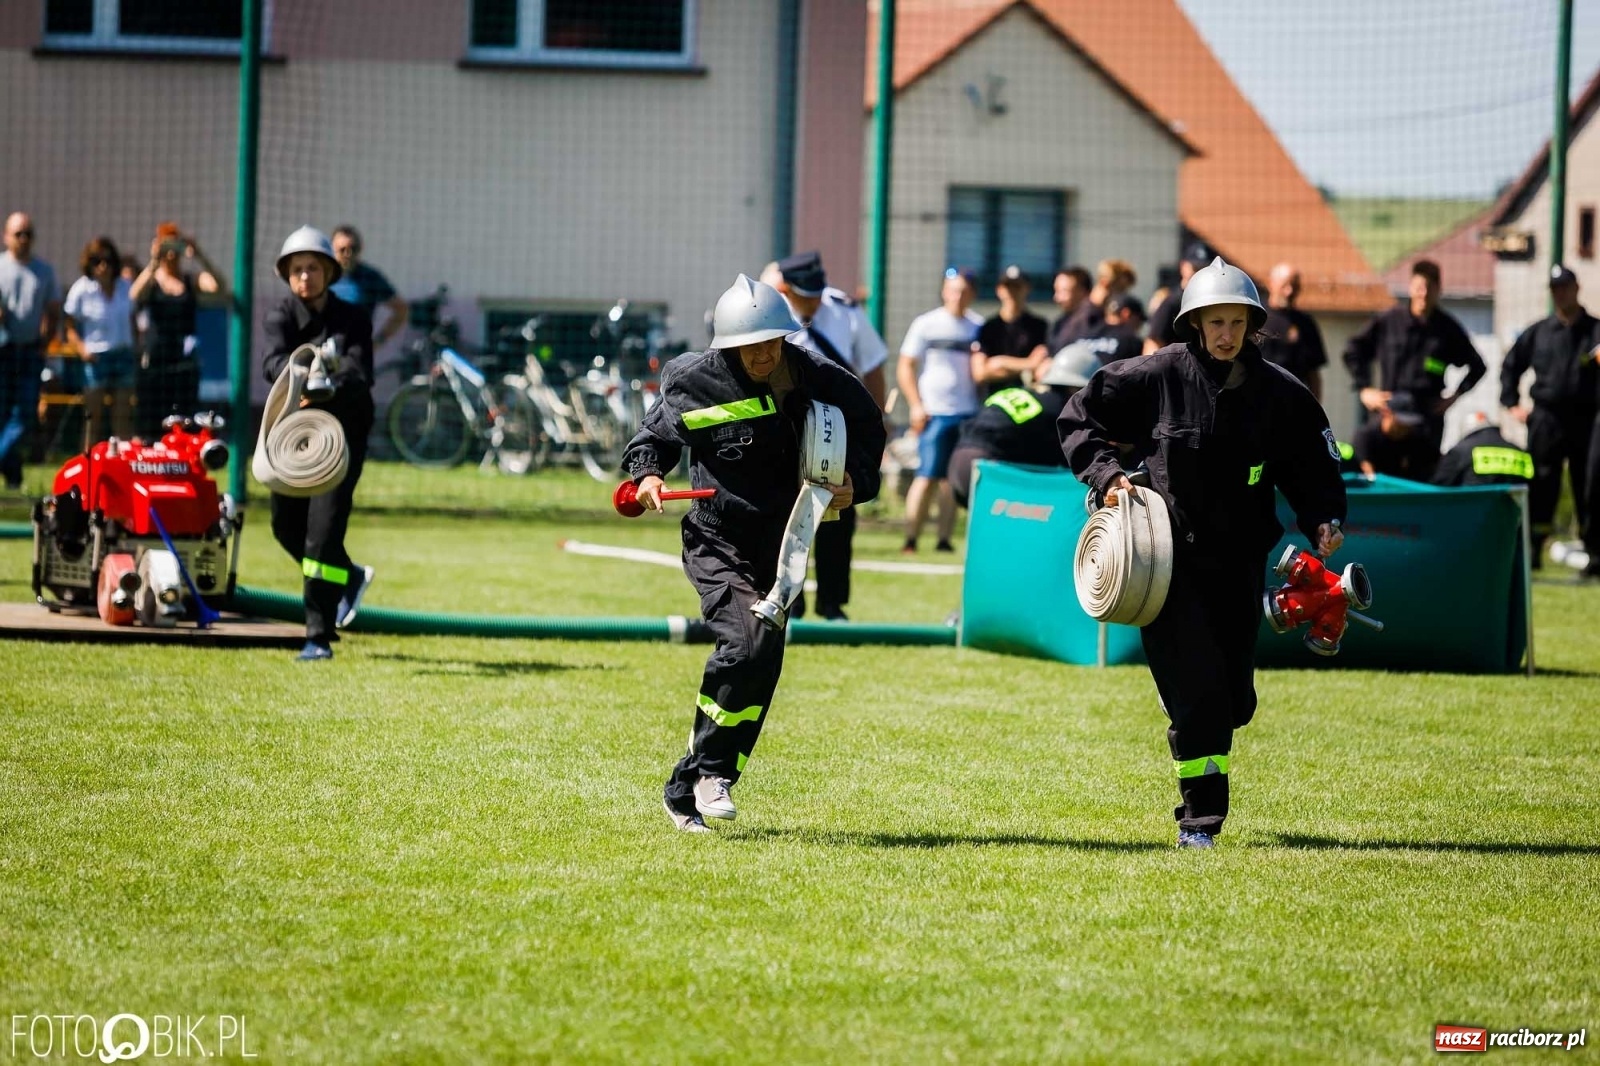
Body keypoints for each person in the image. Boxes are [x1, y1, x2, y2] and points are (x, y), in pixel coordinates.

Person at [1058, 256, 1346, 849]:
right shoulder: (1157, 375)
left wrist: (1323, 519)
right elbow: (1077, 417)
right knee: (1202, 702)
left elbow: (1312, 463)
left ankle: (1209, 708)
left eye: (1236, 323)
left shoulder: (1280, 394)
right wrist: (1106, 474)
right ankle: (1200, 822)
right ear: (1193, 323)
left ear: (1252, 325)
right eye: (1214, 322)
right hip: (1170, 566)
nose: (1225, 334)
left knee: (1233, 699)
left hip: (1239, 564)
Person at [622, 274, 886, 832]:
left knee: (763, 659)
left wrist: (855, 483)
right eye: (753, 345)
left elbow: (868, 428)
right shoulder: (692, 381)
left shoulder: (813, 375)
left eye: (774, 341)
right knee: (746, 642)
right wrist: (647, 476)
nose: (766, 354)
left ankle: (690, 783)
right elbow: (653, 439)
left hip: (784, 543)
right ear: (727, 344)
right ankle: (710, 775)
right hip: (716, 539)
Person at [262, 226, 376, 662]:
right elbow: (272, 363)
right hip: (292, 438)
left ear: (329, 271)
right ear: (287, 276)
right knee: (284, 527)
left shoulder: (354, 319)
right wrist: (302, 376)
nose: (305, 276)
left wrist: (330, 383)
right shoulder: (280, 317)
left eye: (313, 268)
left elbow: (358, 370)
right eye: (297, 269)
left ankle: (318, 635)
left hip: (341, 437)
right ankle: (347, 579)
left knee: (321, 536)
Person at [762, 250, 889, 621]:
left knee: (838, 508)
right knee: (786, 511)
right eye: (806, 293)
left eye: (818, 291)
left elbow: (873, 363)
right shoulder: (771, 311)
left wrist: (876, 418)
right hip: (786, 425)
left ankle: (833, 603)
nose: (815, 300)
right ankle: (788, 598)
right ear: (786, 288)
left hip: (838, 423)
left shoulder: (845, 311)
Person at [1343, 258, 1485, 482]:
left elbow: (1478, 366)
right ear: (1410, 287)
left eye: (1430, 287)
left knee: (1422, 477)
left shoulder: (1447, 329)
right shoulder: (1389, 321)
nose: (1424, 293)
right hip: (1390, 414)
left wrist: (1454, 397)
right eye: (1419, 287)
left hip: (1427, 418)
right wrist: (1364, 389)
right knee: (1379, 475)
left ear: (1439, 290)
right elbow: (1353, 350)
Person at [1499, 264, 1599, 566]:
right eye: (1556, 289)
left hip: (1586, 420)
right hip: (1546, 419)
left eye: (1566, 287)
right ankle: (1533, 551)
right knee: (1541, 485)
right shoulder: (1540, 332)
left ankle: (1594, 553)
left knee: (1589, 485)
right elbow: (1511, 365)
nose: (1561, 294)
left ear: (1577, 289)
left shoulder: (1594, 331)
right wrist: (1511, 402)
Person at [897, 268, 983, 553]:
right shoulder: (927, 323)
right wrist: (916, 405)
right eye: (953, 289)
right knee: (927, 475)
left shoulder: (977, 326)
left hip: (967, 411)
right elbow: (906, 365)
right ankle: (911, 537)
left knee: (951, 481)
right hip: (934, 412)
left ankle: (944, 540)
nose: (958, 296)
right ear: (944, 291)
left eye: (964, 290)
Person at [947, 343, 1093, 508]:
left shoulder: (1021, 393)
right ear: (1076, 387)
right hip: (989, 468)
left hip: (957, 462)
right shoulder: (1060, 410)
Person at [130, 222, 226, 437]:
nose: (171, 253)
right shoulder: (152, 281)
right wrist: (154, 261)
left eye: (175, 246)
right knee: (152, 417)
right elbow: (135, 295)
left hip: (184, 361)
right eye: (167, 247)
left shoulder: (191, 280)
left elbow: (220, 287)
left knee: (185, 415)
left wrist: (200, 255)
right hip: (155, 360)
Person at [0, 212, 60, 489]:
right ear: (6, 236)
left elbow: (52, 309)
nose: (23, 239)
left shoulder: (44, 271)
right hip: (3, 350)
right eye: (18, 234)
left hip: (30, 352)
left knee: (24, 415)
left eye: (28, 234)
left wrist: (45, 341)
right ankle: (12, 475)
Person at [63, 237, 139, 448]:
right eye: (97, 261)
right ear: (90, 263)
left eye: (107, 261)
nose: (103, 266)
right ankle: (87, 464)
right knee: (92, 417)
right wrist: (81, 349)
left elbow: (132, 319)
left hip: (122, 354)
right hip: (96, 357)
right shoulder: (81, 290)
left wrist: (137, 346)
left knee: (122, 417)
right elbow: (68, 326)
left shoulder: (125, 287)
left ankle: (122, 464)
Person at [971, 265, 1049, 399]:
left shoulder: (1039, 326)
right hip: (995, 401)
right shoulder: (988, 327)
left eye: (1017, 287)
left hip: (1028, 400)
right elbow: (980, 373)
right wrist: (1027, 365)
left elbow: (1040, 367)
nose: (1012, 292)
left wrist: (999, 363)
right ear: (999, 290)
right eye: (1008, 287)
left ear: (1027, 289)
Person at [330, 225, 409, 350]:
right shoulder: (323, 275)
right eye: (342, 249)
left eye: (353, 249)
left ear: (360, 249)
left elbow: (401, 309)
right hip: (323, 350)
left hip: (356, 351)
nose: (348, 254)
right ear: (332, 249)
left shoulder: (369, 277)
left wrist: (378, 341)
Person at [1260, 262, 1328, 399]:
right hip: (1257, 402)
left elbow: (1313, 374)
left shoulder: (1305, 324)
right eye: (1284, 285)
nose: (1289, 291)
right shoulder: (1255, 317)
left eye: (1295, 286)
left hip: (1292, 405)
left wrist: (1314, 412)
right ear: (1270, 283)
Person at [1431, 410, 1534, 487]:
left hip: (1473, 513)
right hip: (1515, 514)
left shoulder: (1459, 452)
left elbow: (1439, 487)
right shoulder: (1520, 453)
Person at [1144, 242, 1212, 354]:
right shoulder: (1172, 302)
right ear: (1183, 266)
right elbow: (1153, 343)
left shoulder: (1210, 302)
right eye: (1195, 268)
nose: (1199, 273)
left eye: (1203, 269)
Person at [1350, 392, 1430, 480]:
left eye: (1409, 422)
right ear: (1386, 413)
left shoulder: (1414, 438)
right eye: (1401, 421)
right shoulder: (1365, 436)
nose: (1405, 426)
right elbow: (1370, 476)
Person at [1058, 258, 1137, 347]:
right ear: (1105, 282)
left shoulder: (1086, 312)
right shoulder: (1088, 315)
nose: (1122, 295)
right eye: (1121, 289)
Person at [1046, 266, 1092, 354]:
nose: (1056, 298)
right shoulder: (1059, 324)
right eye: (1056, 291)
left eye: (1063, 291)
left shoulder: (1096, 324)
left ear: (1083, 291)